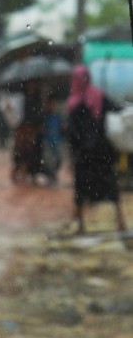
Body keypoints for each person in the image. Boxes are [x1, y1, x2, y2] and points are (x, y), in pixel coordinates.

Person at [66, 65, 127, 234]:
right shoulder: (99, 95)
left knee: (81, 188)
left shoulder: (73, 103)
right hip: (102, 151)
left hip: (83, 154)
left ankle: (80, 226)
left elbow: (71, 133)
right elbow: (116, 109)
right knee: (110, 185)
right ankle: (120, 221)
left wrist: (72, 155)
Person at [42, 93, 65, 186]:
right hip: (48, 141)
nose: (53, 106)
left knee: (59, 159)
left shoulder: (58, 116)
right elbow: (42, 128)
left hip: (57, 140)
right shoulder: (45, 116)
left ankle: (53, 174)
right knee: (50, 160)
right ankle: (52, 176)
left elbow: (61, 127)